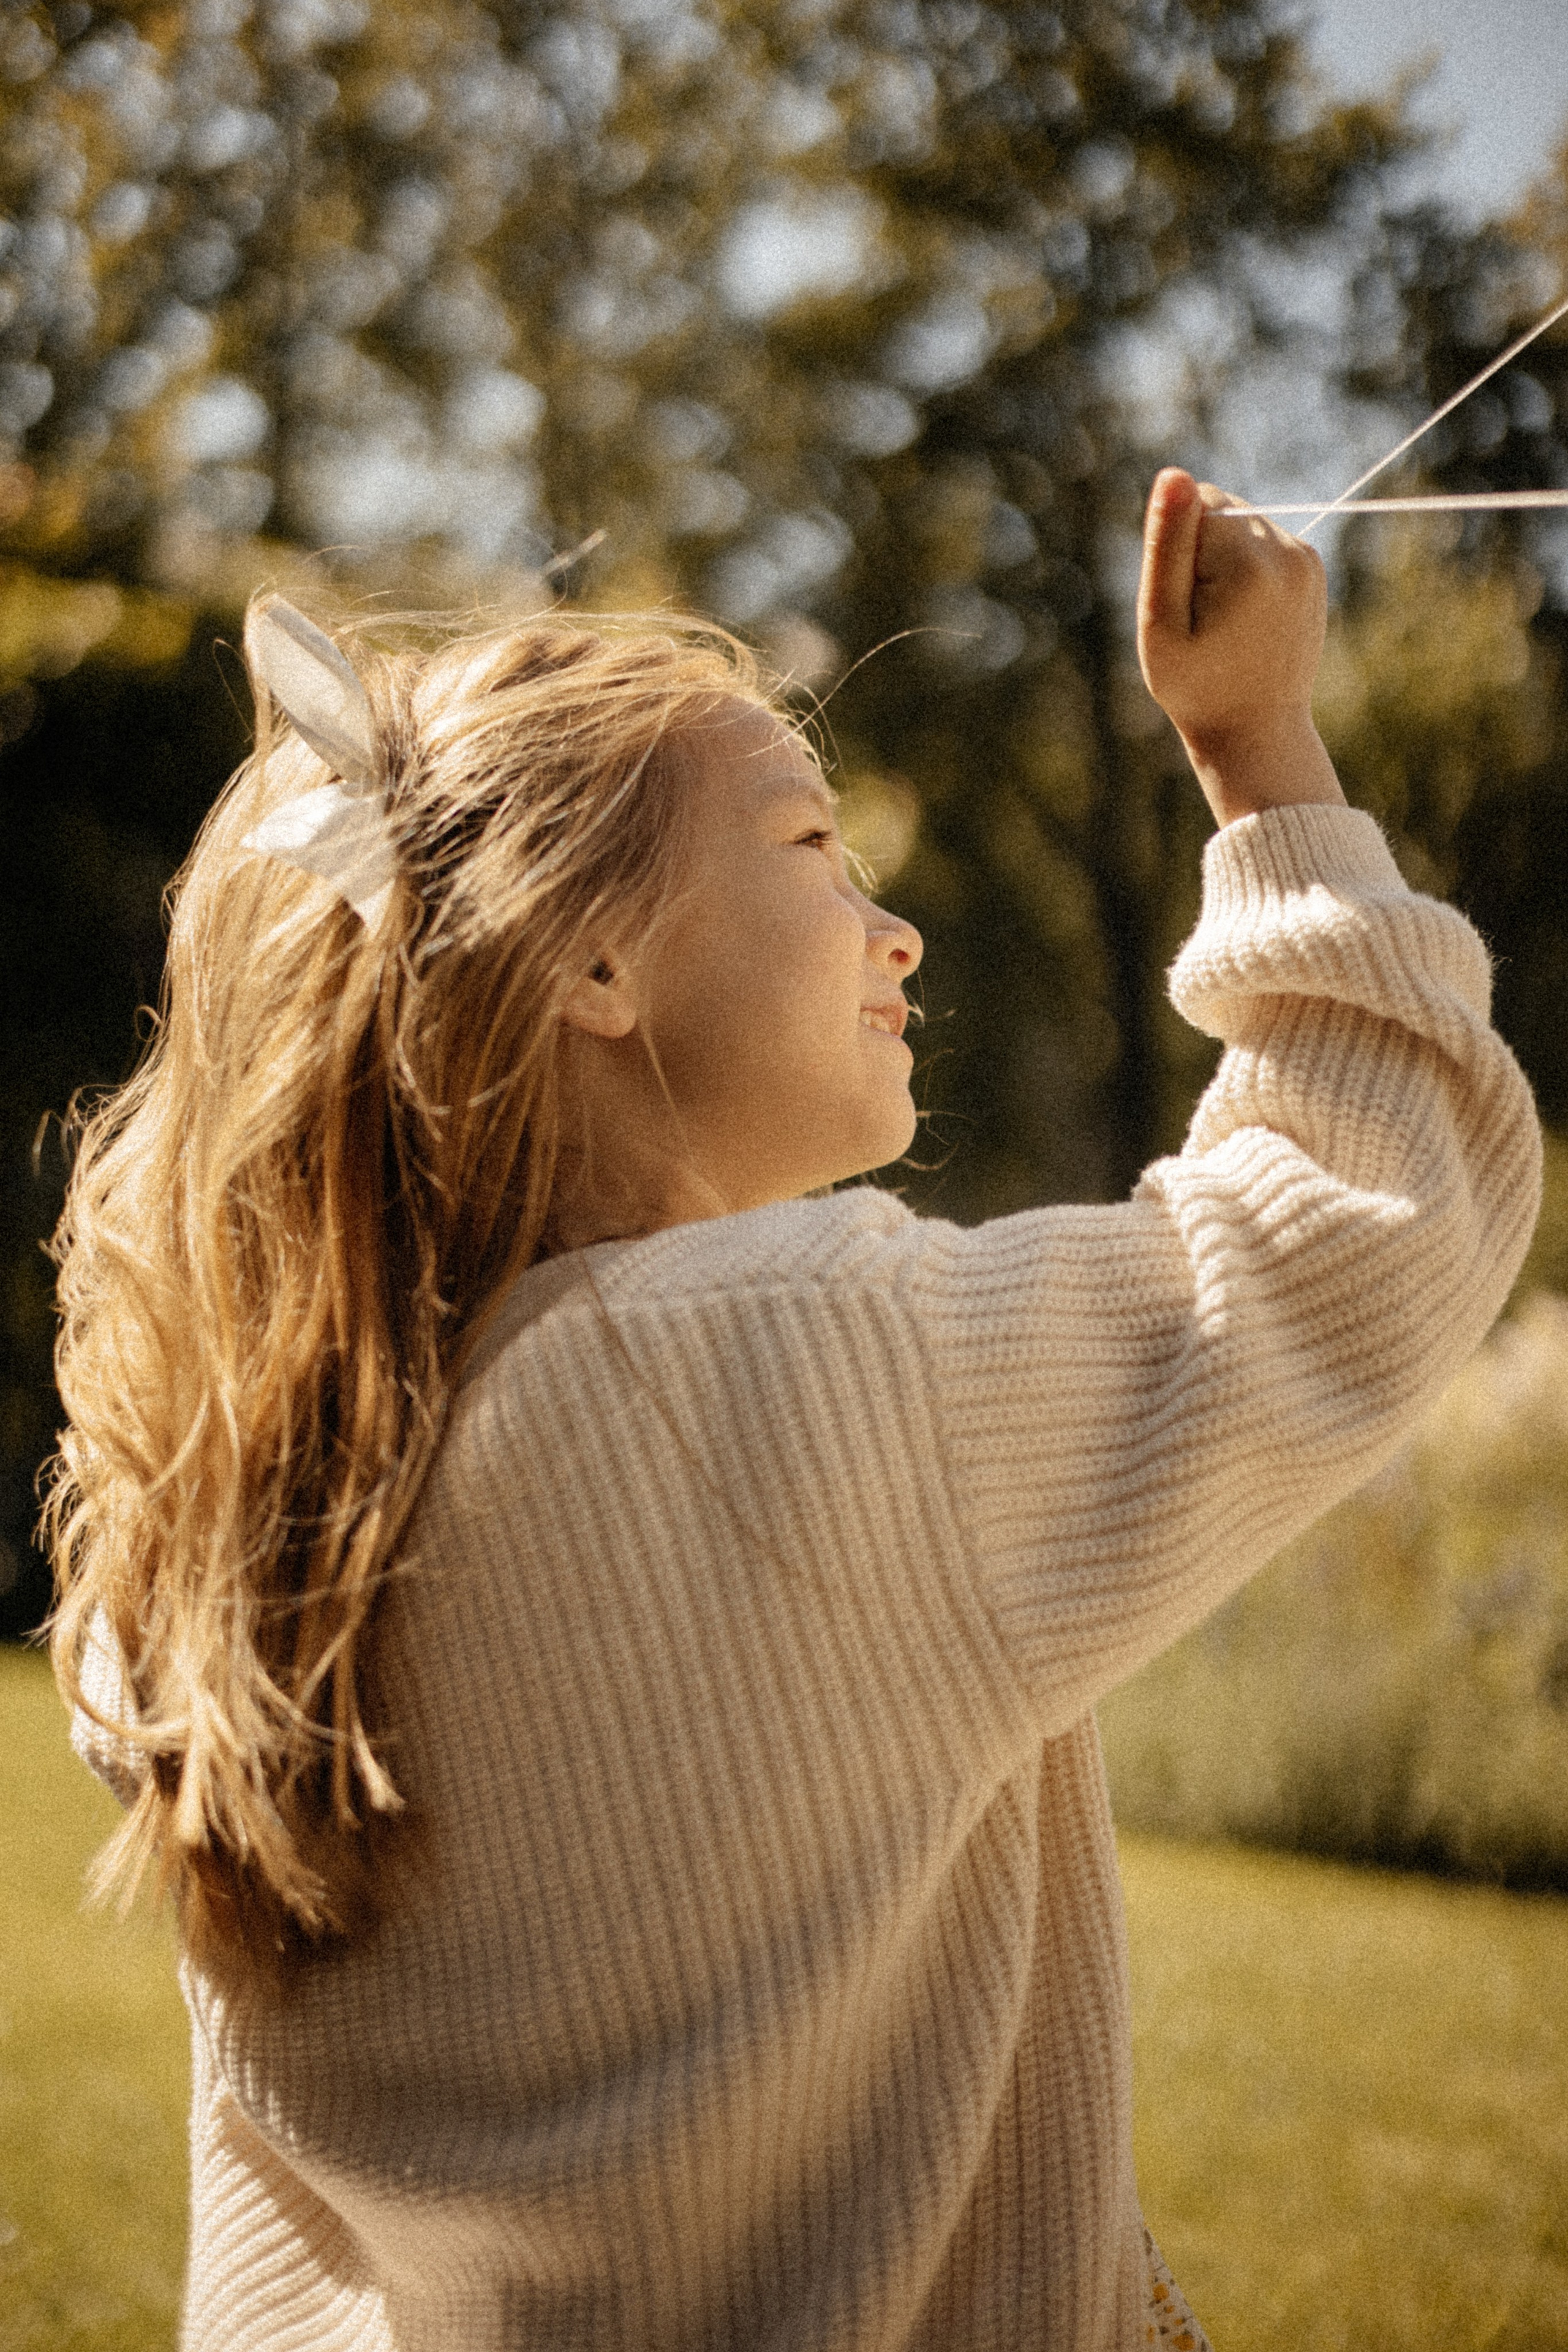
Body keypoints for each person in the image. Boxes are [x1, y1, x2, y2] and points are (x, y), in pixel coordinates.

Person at [47, 468, 1539, 2352]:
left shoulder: (231, 1537)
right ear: (588, 961)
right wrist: (1256, 745)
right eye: (813, 843)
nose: (892, 926)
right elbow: (1361, 1223)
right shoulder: (795, 1366)